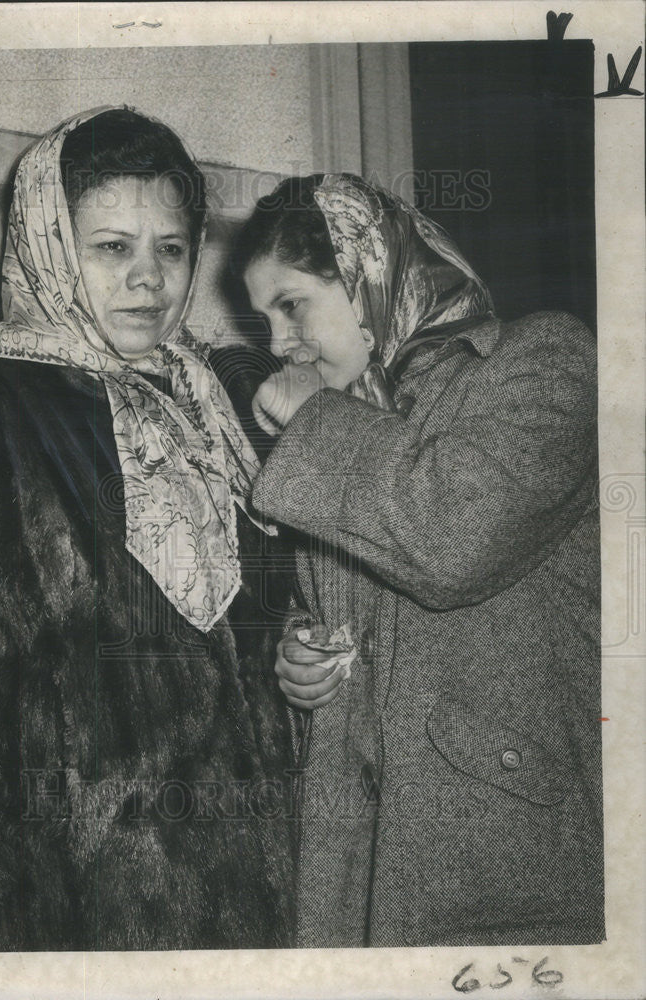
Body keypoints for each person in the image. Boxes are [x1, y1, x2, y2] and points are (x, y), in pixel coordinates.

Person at [0, 107, 297, 952]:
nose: (149, 280)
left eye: (171, 249)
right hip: (82, 893)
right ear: (46, 244)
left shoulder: (219, 404)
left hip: (269, 874)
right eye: (113, 247)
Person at [231, 173, 603, 947]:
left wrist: (311, 415)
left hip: (510, 871)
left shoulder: (549, 362)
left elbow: (453, 538)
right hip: (360, 873)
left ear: (371, 274)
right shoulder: (346, 425)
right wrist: (301, 653)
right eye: (263, 318)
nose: (277, 344)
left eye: (292, 305)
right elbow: (367, 610)